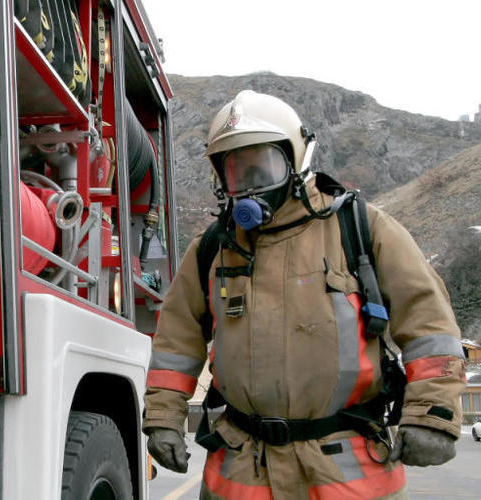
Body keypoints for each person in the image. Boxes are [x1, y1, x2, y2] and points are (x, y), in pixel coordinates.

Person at [142, 90, 466, 499]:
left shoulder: (361, 228)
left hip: (347, 470)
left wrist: (432, 415)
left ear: (296, 161)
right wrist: (164, 417)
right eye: (236, 172)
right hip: (242, 470)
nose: (249, 186)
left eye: (263, 168)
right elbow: (176, 340)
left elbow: (430, 326)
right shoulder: (213, 248)